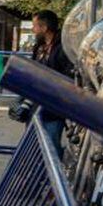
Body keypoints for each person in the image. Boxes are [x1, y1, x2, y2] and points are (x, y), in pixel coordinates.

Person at [30, 9, 73, 156]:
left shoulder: (63, 48)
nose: (33, 29)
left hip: (53, 109)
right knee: (34, 148)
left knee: (51, 149)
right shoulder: (39, 47)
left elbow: (68, 78)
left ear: (44, 28)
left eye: (35, 26)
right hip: (36, 105)